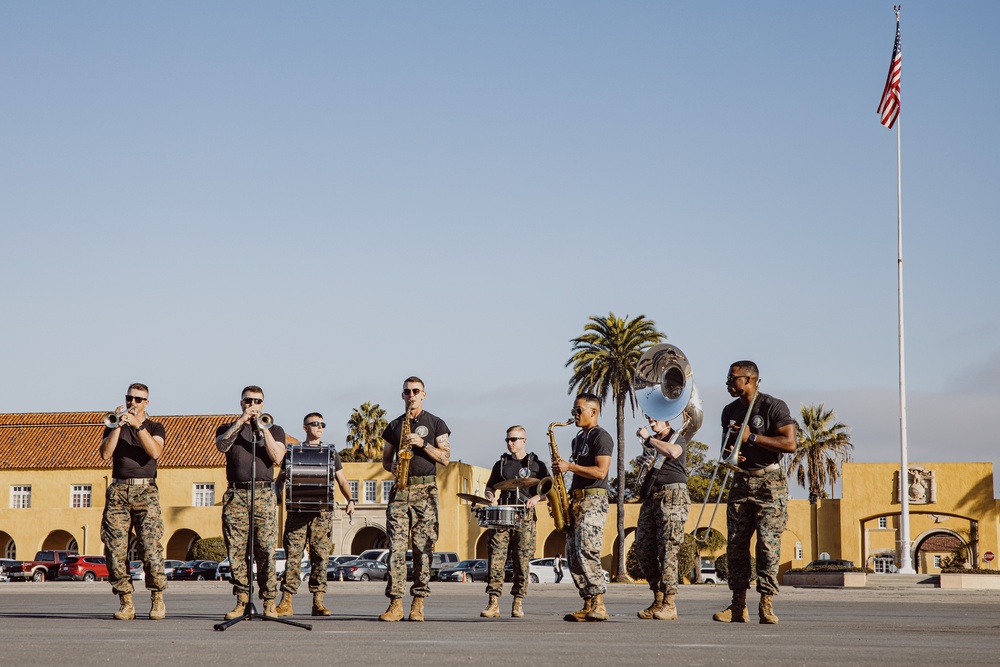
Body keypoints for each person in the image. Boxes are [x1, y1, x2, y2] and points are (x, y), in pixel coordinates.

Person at [712, 361, 796, 625]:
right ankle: (738, 607)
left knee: (767, 546)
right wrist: (731, 454)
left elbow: (790, 443)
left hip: (770, 483)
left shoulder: (773, 406)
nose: (727, 383)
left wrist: (752, 438)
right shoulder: (729, 411)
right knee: (736, 546)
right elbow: (727, 448)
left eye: (732, 378)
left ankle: (766, 604)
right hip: (740, 482)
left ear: (749, 379)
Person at [378, 376, 451, 622]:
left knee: (423, 548)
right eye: (407, 391)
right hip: (401, 489)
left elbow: (445, 458)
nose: (411, 395)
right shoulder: (394, 425)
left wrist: (422, 444)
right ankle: (395, 603)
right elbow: (386, 460)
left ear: (424, 394)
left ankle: (418, 602)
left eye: (416, 391)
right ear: (402, 395)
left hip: (425, 491)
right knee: (395, 548)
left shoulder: (436, 423)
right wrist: (394, 467)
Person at [215, 385, 287, 620]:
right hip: (236, 494)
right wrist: (242, 421)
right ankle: (242, 599)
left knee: (266, 550)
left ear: (263, 404)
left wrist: (262, 428)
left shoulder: (274, 428)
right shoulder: (228, 427)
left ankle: (268, 601)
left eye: (257, 401)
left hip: (263, 495)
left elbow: (277, 457)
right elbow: (221, 445)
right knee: (236, 551)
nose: (252, 405)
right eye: (248, 401)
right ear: (241, 403)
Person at [98, 383, 167, 621]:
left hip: (145, 491)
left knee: (150, 547)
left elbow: (155, 452)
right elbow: (106, 454)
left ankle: (157, 597)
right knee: (115, 550)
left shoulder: (155, 426)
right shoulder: (114, 424)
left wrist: (137, 425)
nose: (133, 403)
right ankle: (125, 601)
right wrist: (117, 425)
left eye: (138, 399)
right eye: (130, 398)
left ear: (147, 402)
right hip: (118, 490)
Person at [275, 413, 355, 617]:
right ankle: (286, 601)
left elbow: (342, 480)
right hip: (296, 513)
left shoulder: (330, 453)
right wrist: (274, 495)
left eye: (322, 424)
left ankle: (318, 601)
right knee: (293, 557)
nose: (320, 427)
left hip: (322, 514)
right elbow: (281, 478)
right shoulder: (292, 452)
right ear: (305, 427)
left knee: (320, 558)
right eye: (315, 424)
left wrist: (350, 500)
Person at [553, 392, 613, 622]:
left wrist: (570, 467)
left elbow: (601, 472)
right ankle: (587, 602)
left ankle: (599, 603)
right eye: (573, 410)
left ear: (594, 412)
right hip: (576, 499)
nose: (574, 414)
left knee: (587, 549)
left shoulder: (602, 436)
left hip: (593, 499)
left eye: (579, 410)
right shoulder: (577, 439)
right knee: (573, 553)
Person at [480, 425, 549, 619]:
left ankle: (518, 602)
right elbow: (490, 487)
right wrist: (489, 495)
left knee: (522, 561)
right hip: (503, 515)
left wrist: (537, 498)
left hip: (524, 517)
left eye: (514, 439)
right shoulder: (501, 464)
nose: (510, 443)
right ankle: (493, 602)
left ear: (524, 440)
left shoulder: (537, 465)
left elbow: (548, 490)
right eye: (508, 440)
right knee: (496, 560)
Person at [634, 415, 689, 620]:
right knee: (642, 547)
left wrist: (649, 439)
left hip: (673, 495)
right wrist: (643, 462)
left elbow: (673, 452)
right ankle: (658, 597)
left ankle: (670, 603)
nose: (650, 420)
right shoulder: (654, 443)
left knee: (668, 549)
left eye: (654, 418)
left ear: (666, 420)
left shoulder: (677, 437)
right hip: (652, 496)